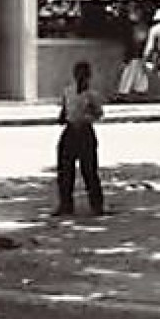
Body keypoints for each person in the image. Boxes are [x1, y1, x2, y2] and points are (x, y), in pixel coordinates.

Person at [54, 61, 106, 217]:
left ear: (88, 77)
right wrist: (63, 118)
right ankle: (65, 204)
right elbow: (63, 112)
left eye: (84, 75)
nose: (81, 78)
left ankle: (96, 204)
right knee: (65, 171)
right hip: (70, 132)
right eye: (78, 74)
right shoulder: (68, 91)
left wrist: (86, 116)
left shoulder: (92, 95)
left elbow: (99, 114)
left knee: (89, 171)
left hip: (85, 132)